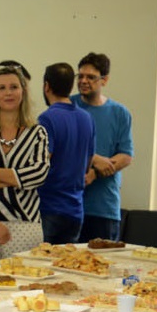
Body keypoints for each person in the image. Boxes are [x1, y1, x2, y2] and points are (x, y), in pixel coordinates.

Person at [0, 63, 51, 261]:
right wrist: (16, 177)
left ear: (23, 91)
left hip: (26, 224)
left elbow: (39, 174)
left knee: (23, 288)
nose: (8, 93)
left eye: (14, 87)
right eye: (2, 88)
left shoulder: (37, 132)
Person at [70, 53, 134, 242]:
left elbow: (125, 156)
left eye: (90, 77)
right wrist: (94, 158)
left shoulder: (119, 113)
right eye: (80, 76)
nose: (83, 81)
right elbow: (60, 147)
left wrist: (95, 173)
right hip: (69, 206)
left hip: (104, 207)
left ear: (104, 80)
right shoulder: (68, 106)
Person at [36, 62, 95, 245]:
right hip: (76, 210)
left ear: (46, 86)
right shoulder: (87, 118)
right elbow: (88, 163)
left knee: (43, 267)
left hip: (49, 207)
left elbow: (42, 163)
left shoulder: (47, 119)